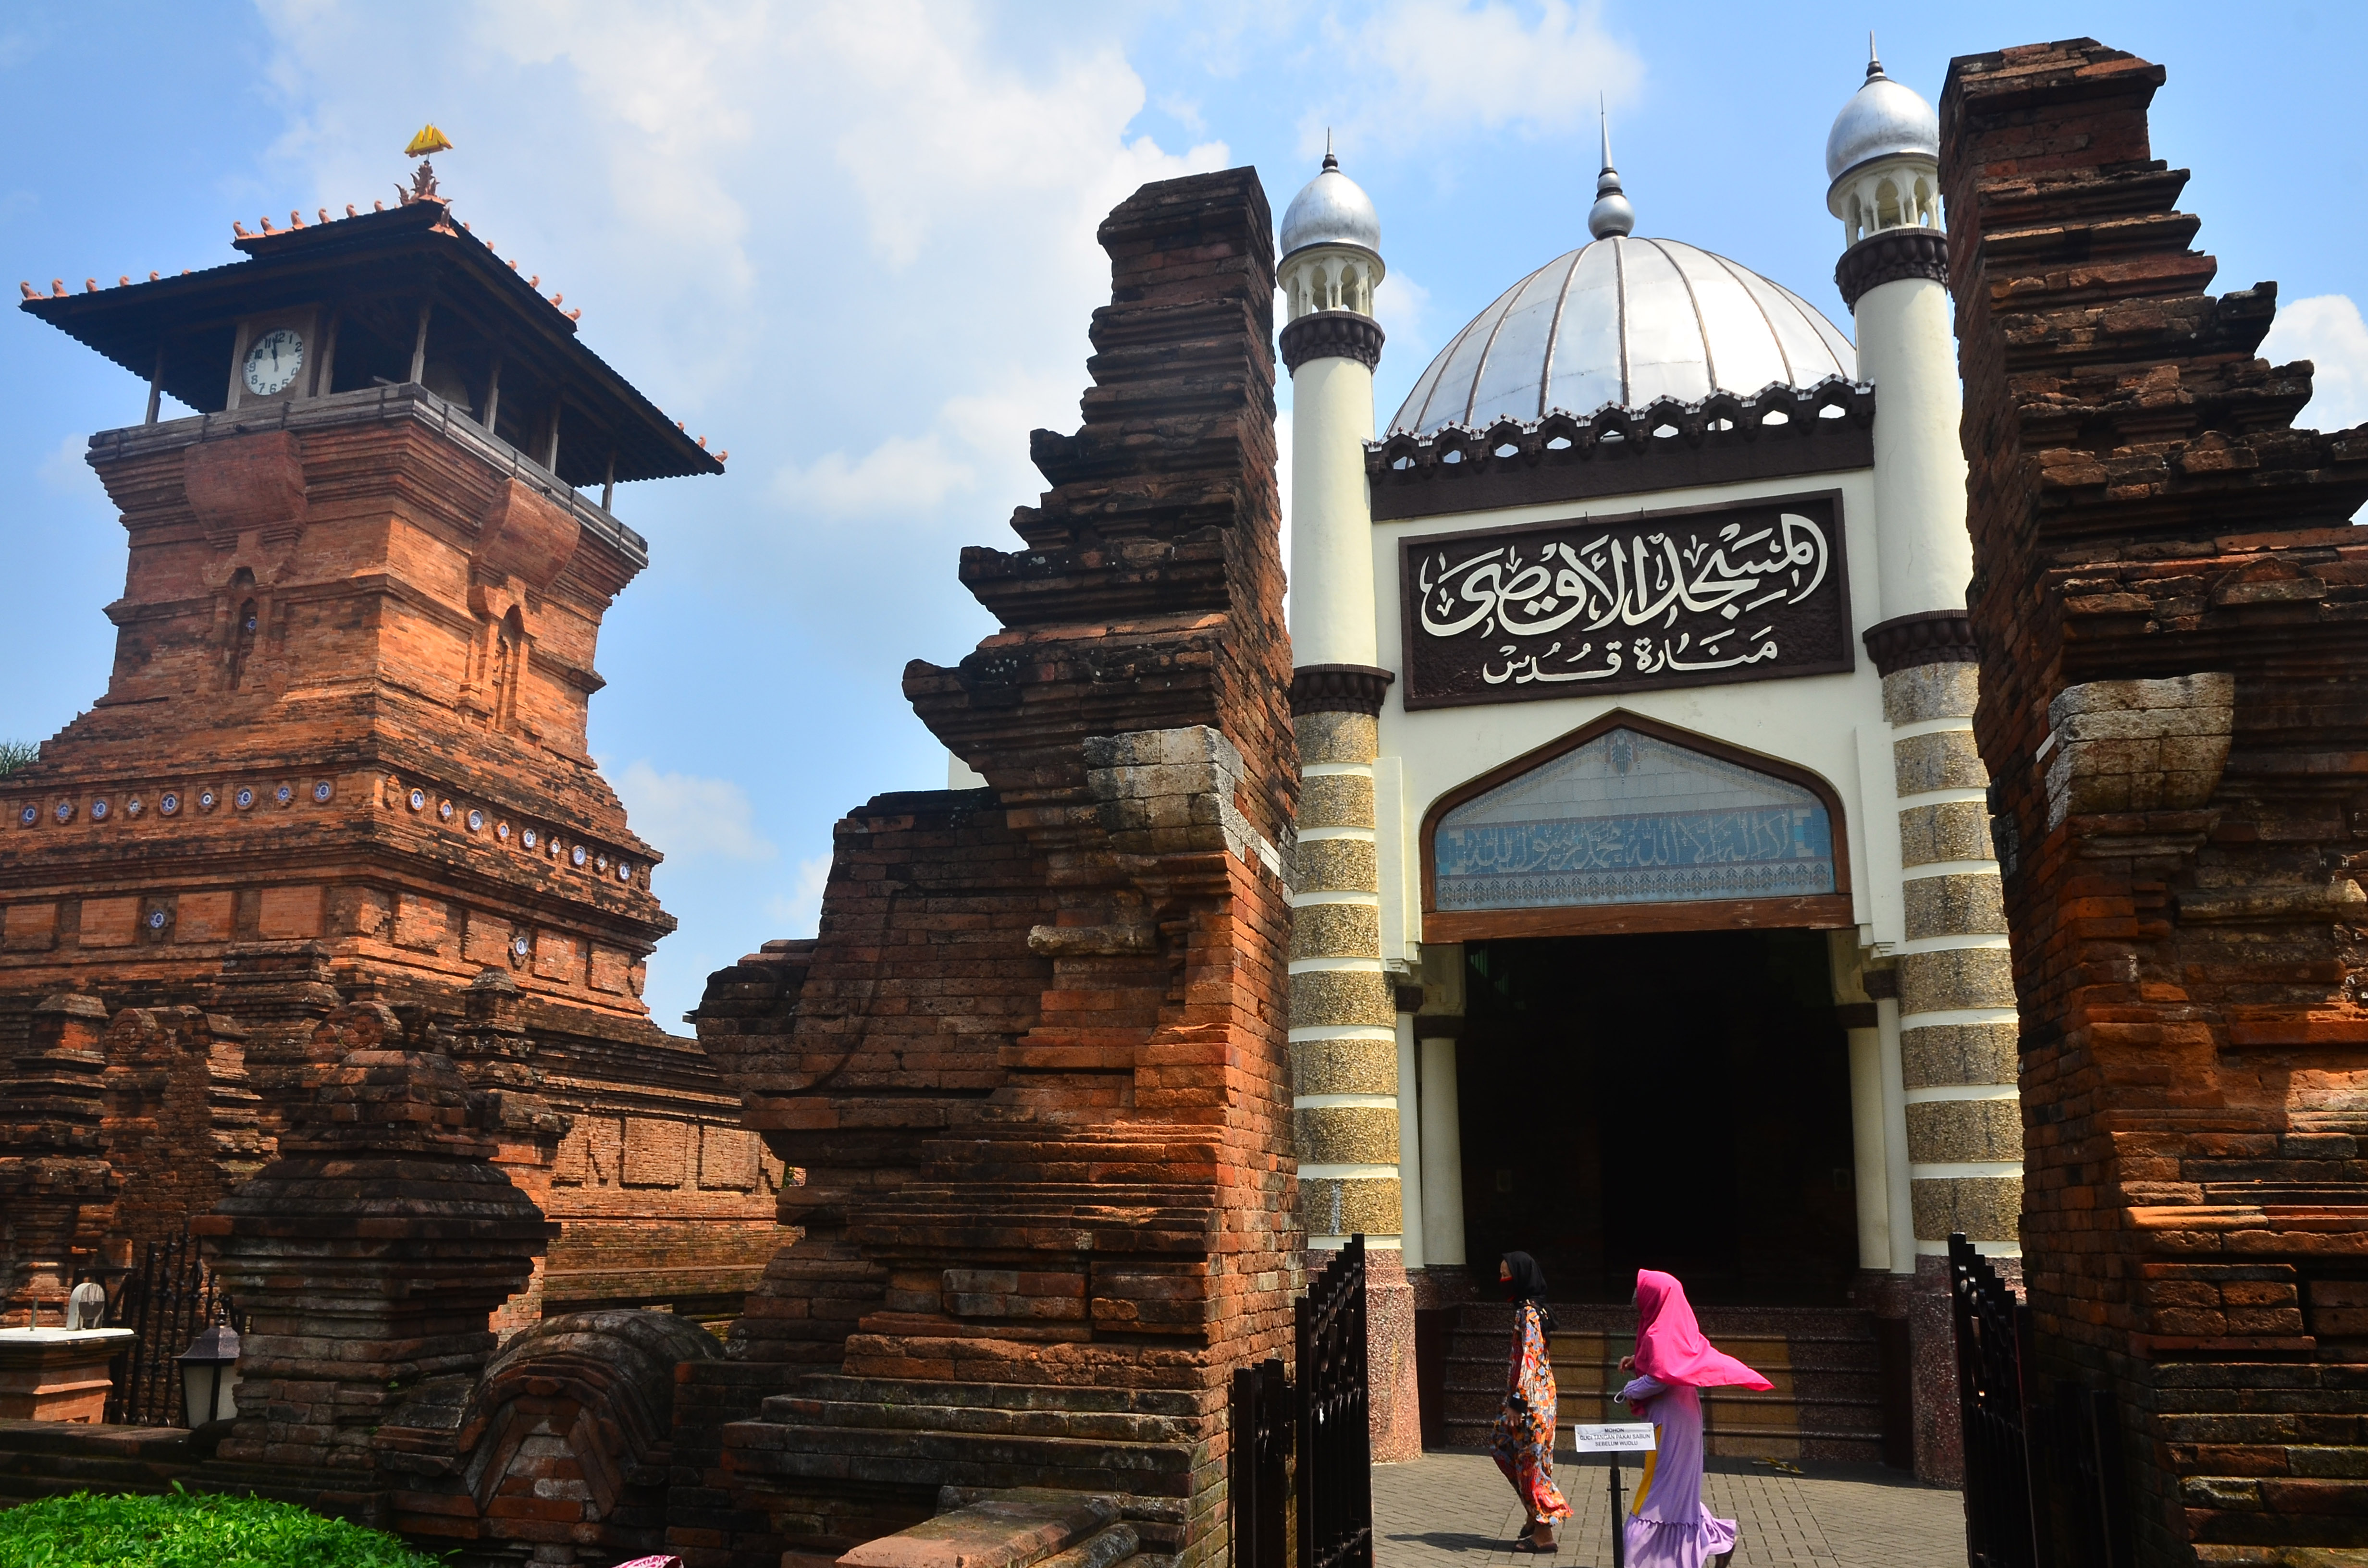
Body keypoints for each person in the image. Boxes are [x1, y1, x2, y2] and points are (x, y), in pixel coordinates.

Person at [1614, 1269, 1772, 1568]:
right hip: (1684, 1413)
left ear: (1655, 1296)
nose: (1636, 1297)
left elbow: (1660, 1378)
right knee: (1679, 1486)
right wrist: (1640, 1360)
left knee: (1658, 1489)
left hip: (1670, 1420)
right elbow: (1672, 1358)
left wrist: (1628, 1390)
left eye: (1641, 1290)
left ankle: (1641, 1555)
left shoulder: (1658, 1332)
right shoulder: (1676, 1324)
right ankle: (1718, 1539)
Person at [1491, 1251, 1570, 1552]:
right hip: (1535, 1401)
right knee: (1501, 1444)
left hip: (1532, 1405)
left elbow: (1530, 1360)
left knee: (1532, 1466)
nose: (1502, 1281)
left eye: (1506, 1274)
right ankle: (1532, 1510)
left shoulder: (1530, 1313)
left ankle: (1544, 1535)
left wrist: (1517, 1403)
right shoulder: (1530, 1311)